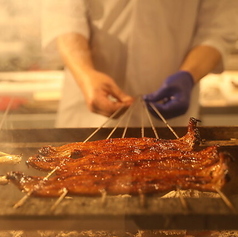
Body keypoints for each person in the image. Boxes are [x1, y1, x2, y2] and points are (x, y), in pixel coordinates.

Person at [42, 0, 238, 128]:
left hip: (169, 122)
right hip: (87, 115)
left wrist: (188, 76)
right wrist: (85, 74)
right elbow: (64, 16)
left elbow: (217, 29)